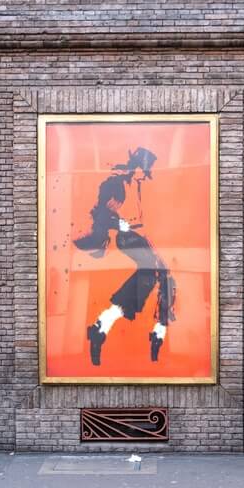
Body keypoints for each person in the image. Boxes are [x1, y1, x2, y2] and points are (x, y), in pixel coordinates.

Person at [74, 147, 176, 366]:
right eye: (143, 169)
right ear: (136, 165)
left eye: (147, 170)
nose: (145, 174)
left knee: (162, 275)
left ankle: (104, 327)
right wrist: (115, 222)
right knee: (158, 272)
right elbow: (99, 211)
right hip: (127, 237)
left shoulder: (139, 184)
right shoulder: (115, 183)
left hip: (142, 237)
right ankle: (156, 332)